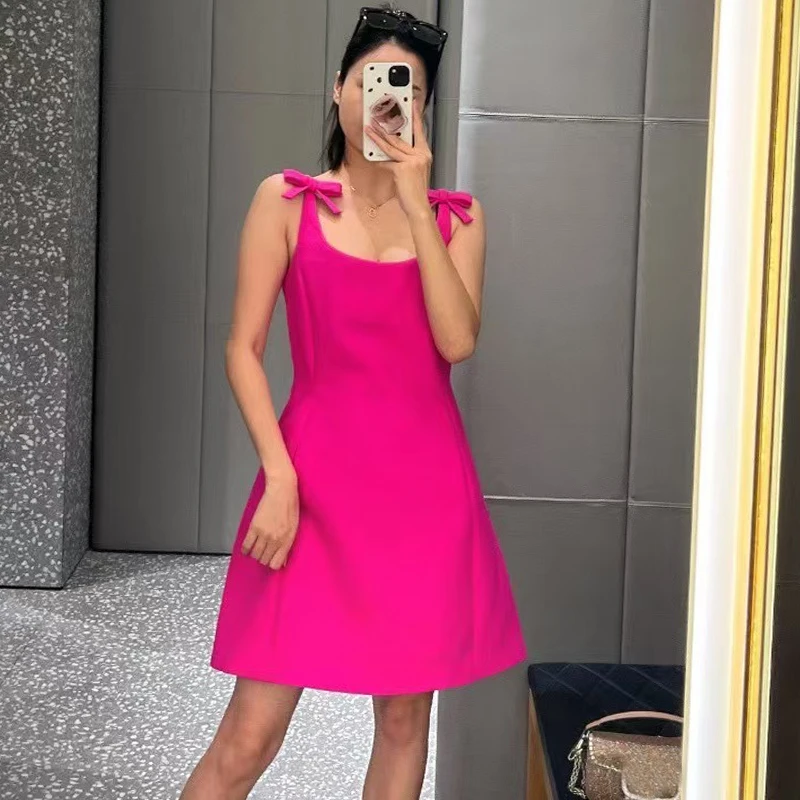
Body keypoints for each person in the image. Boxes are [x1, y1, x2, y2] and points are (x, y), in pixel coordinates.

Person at [180, 5, 527, 799]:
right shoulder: (286, 201)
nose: (386, 102)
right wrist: (278, 476)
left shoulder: (458, 219)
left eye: (407, 90)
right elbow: (242, 348)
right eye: (373, 82)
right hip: (308, 488)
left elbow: (456, 342)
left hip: (425, 501)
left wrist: (414, 200)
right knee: (249, 735)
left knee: (405, 725)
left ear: (424, 110)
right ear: (338, 87)